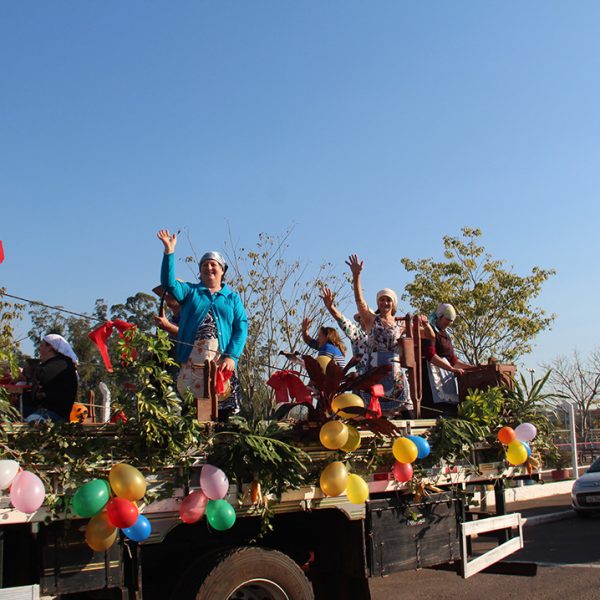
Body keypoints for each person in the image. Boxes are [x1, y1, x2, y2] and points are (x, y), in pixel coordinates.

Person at [157, 229, 248, 418]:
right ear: (200, 271)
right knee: (191, 410)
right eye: (205, 265)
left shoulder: (231, 298)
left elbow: (241, 327)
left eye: (213, 264)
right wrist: (169, 252)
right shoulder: (191, 292)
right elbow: (168, 284)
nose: (209, 268)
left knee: (223, 409)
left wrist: (232, 357)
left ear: (222, 270)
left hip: (221, 361)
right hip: (192, 360)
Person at [346, 254, 413, 418]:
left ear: (393, 303)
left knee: (405, 408)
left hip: (394, 369)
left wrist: (423, 322)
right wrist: (357, 276)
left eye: (388, 300)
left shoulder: (400, 324)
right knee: (374, 407)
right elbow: (359, 300)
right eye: (382, 300)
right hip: (374, 368)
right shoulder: (371, 320)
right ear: (378, 302)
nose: (385, 303)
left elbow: (421, 333)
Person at [421, 302, 472, 417]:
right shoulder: (430, 331)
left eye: (451, 321)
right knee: (439, 412)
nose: (449, 323)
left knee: (450, 410)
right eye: (447, 319)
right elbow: (430, 355)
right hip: (432, 380)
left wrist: (474, 368)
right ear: (439, 316)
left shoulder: (446, 335)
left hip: (446, 378)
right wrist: (451, 369)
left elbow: (453, 360)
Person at [26, 334, 78, 423]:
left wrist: (26, 370)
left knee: (31, 422)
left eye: (41, 345)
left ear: (49, 347)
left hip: (54, 414)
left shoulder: (62, 363)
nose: (39, 349)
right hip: (42, 410)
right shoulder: (51, 364)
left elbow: (42, 375)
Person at [320, 287, 370, 376]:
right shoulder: (358, 335)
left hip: (384, 379)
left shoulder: (381, 334)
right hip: (364, 381)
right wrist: (331, 307)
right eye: (361, 317)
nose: (365, 318)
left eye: (368, 316)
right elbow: (342, 320)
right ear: (359, 321)